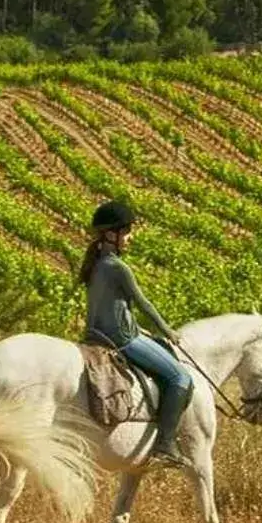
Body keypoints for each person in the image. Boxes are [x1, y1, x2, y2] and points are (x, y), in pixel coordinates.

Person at [80, 200, 194, 468]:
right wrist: (167, 330)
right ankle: (165, 445)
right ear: (111, 234)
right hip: (122, 339)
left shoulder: (94, 265)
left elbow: (111, 306)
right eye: (127, 232)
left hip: (96, 334)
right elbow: (144, 303)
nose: (130, 238)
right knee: (180, 377)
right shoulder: (118, 267)